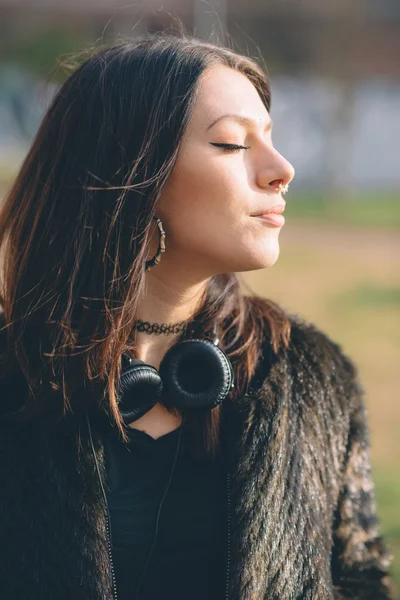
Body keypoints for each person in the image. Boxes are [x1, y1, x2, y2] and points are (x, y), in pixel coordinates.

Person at [0, 33, 395, 600]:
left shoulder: (309, 375)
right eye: (234, 144)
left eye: (271, 139)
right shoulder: (12, 383)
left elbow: (359, 583)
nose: (281, 169)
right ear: (136, 174)